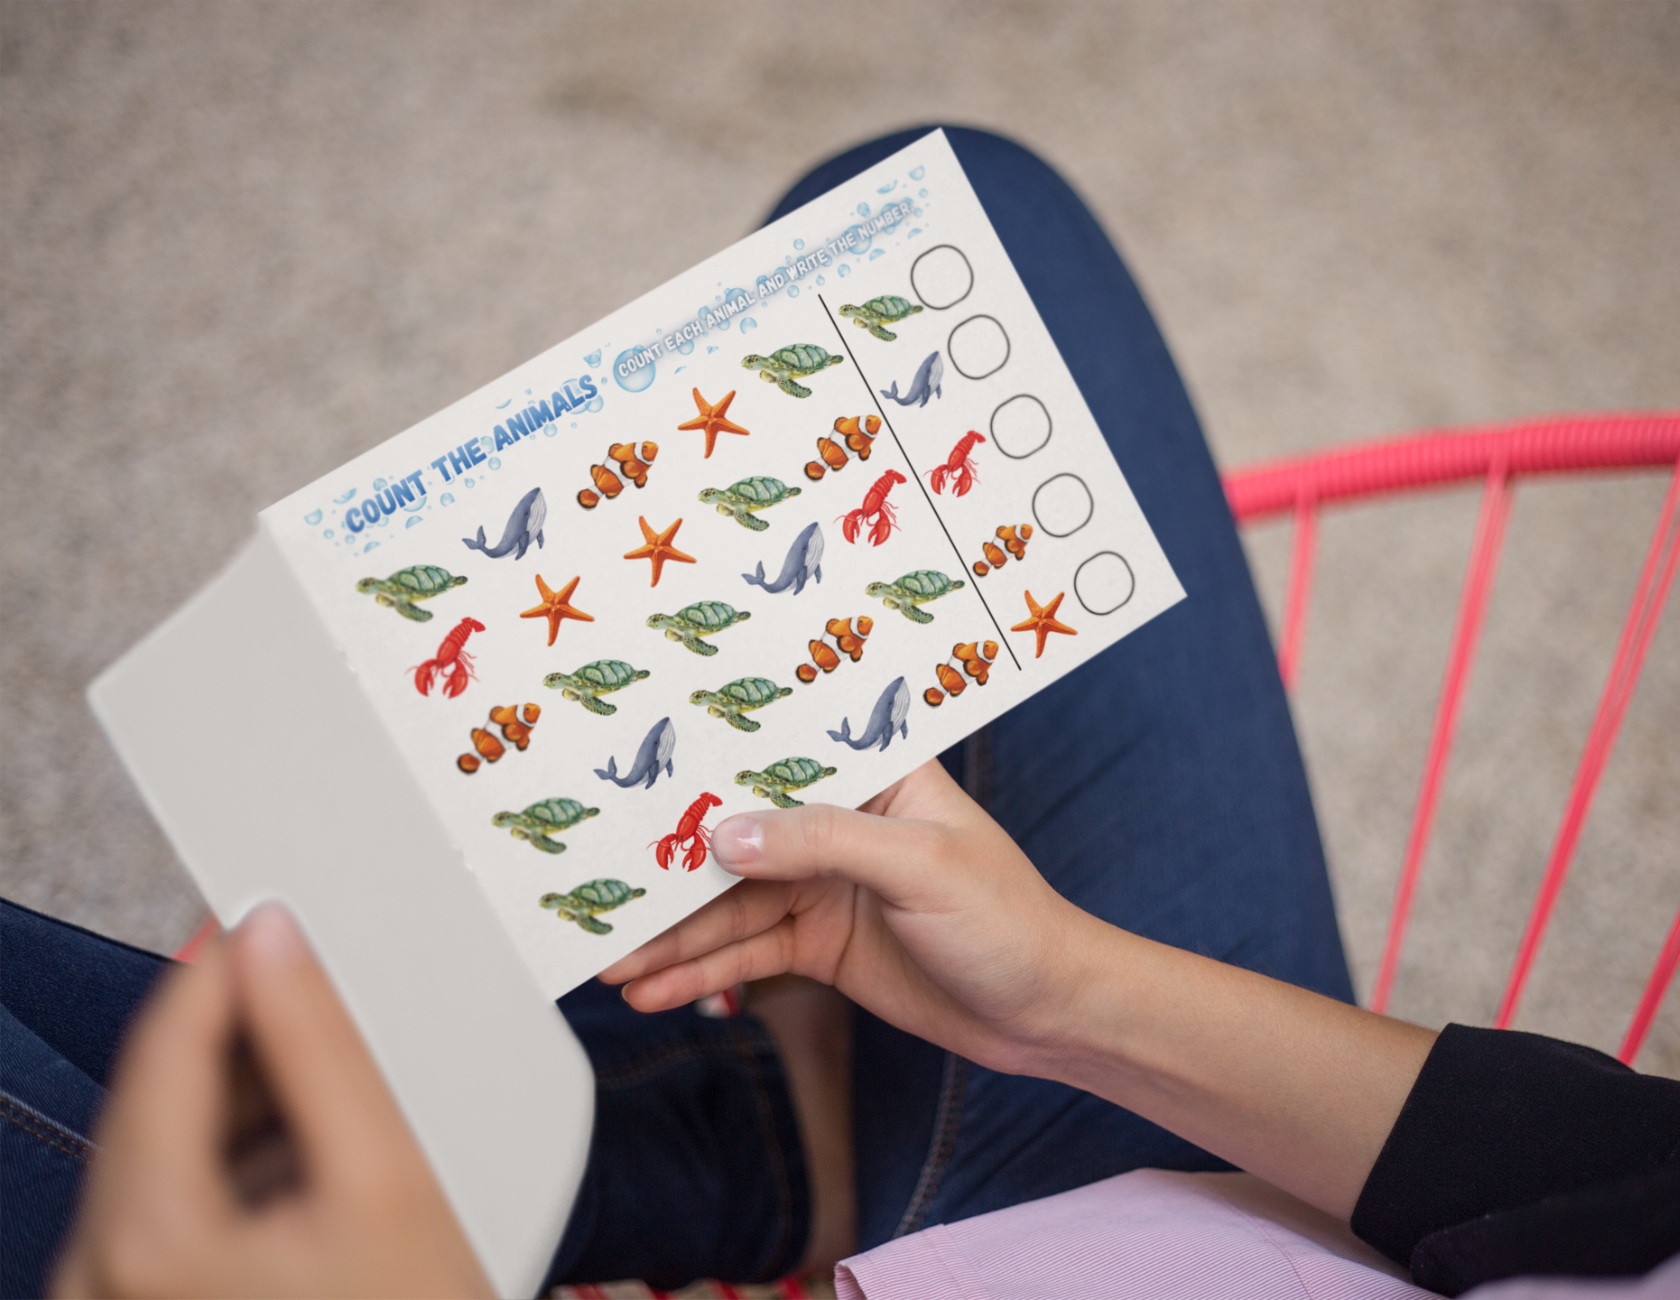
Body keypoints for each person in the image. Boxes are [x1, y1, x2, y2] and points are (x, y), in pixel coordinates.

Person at [4, 128, 1676, 1299]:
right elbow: (1610, 1188)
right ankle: (779, 1126)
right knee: (954, 208)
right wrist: (1059, 992)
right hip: (1258, 1215)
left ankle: (639, 1157)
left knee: (168, 1160)